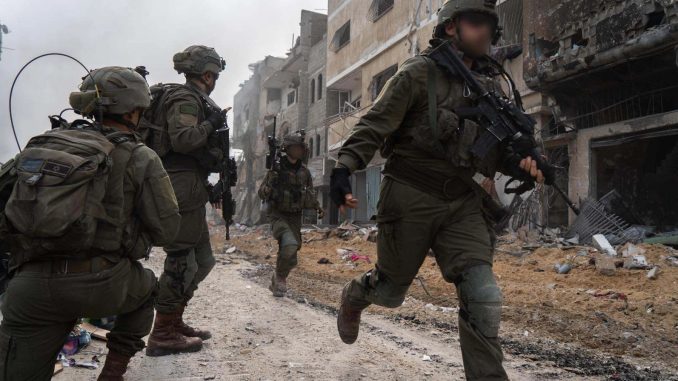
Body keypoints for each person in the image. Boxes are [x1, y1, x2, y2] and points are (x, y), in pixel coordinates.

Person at [330, 1, 546, 380]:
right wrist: (344, 167)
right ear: (450, 28)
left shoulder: (490, 89)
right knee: (389, 293)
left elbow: (495, 154)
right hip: (410, 193)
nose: (486, 32)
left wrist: (525, 164)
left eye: (489, 26)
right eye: (476, 23)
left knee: (483, 296)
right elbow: (375, 124)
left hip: (462, 202)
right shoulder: (418, 74)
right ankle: (355, 296)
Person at [0, 66, 181, 380]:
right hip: (101, 284)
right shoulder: (141, 157)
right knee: (149, 288)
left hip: (28, 289)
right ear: (135, 110)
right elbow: (167, 231)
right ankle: (112, 374)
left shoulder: (42, 145)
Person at [145, 45, 227, 356]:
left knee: (204, 261)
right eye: (214, 74)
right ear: (207, 74)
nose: (215, 79)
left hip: (192, 184)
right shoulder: (185, 98)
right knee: (182, 261)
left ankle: (173, 318)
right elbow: (184, 139)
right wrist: (212, 122)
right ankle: (162, 332)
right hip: (179, 185)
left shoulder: (196, 99)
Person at [258, 132, 324, 297]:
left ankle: (278, 277)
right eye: (296, 147)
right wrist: (271, 182)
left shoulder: (304, 172)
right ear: (287, 149)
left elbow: (309, 193)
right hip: (278, 214)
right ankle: (280, 278)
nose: (299, 151)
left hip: (295, 217)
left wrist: (317, 207)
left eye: (301, 148)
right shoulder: (276, 169)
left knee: (292, 252)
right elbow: (262, 193)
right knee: (288, 244)